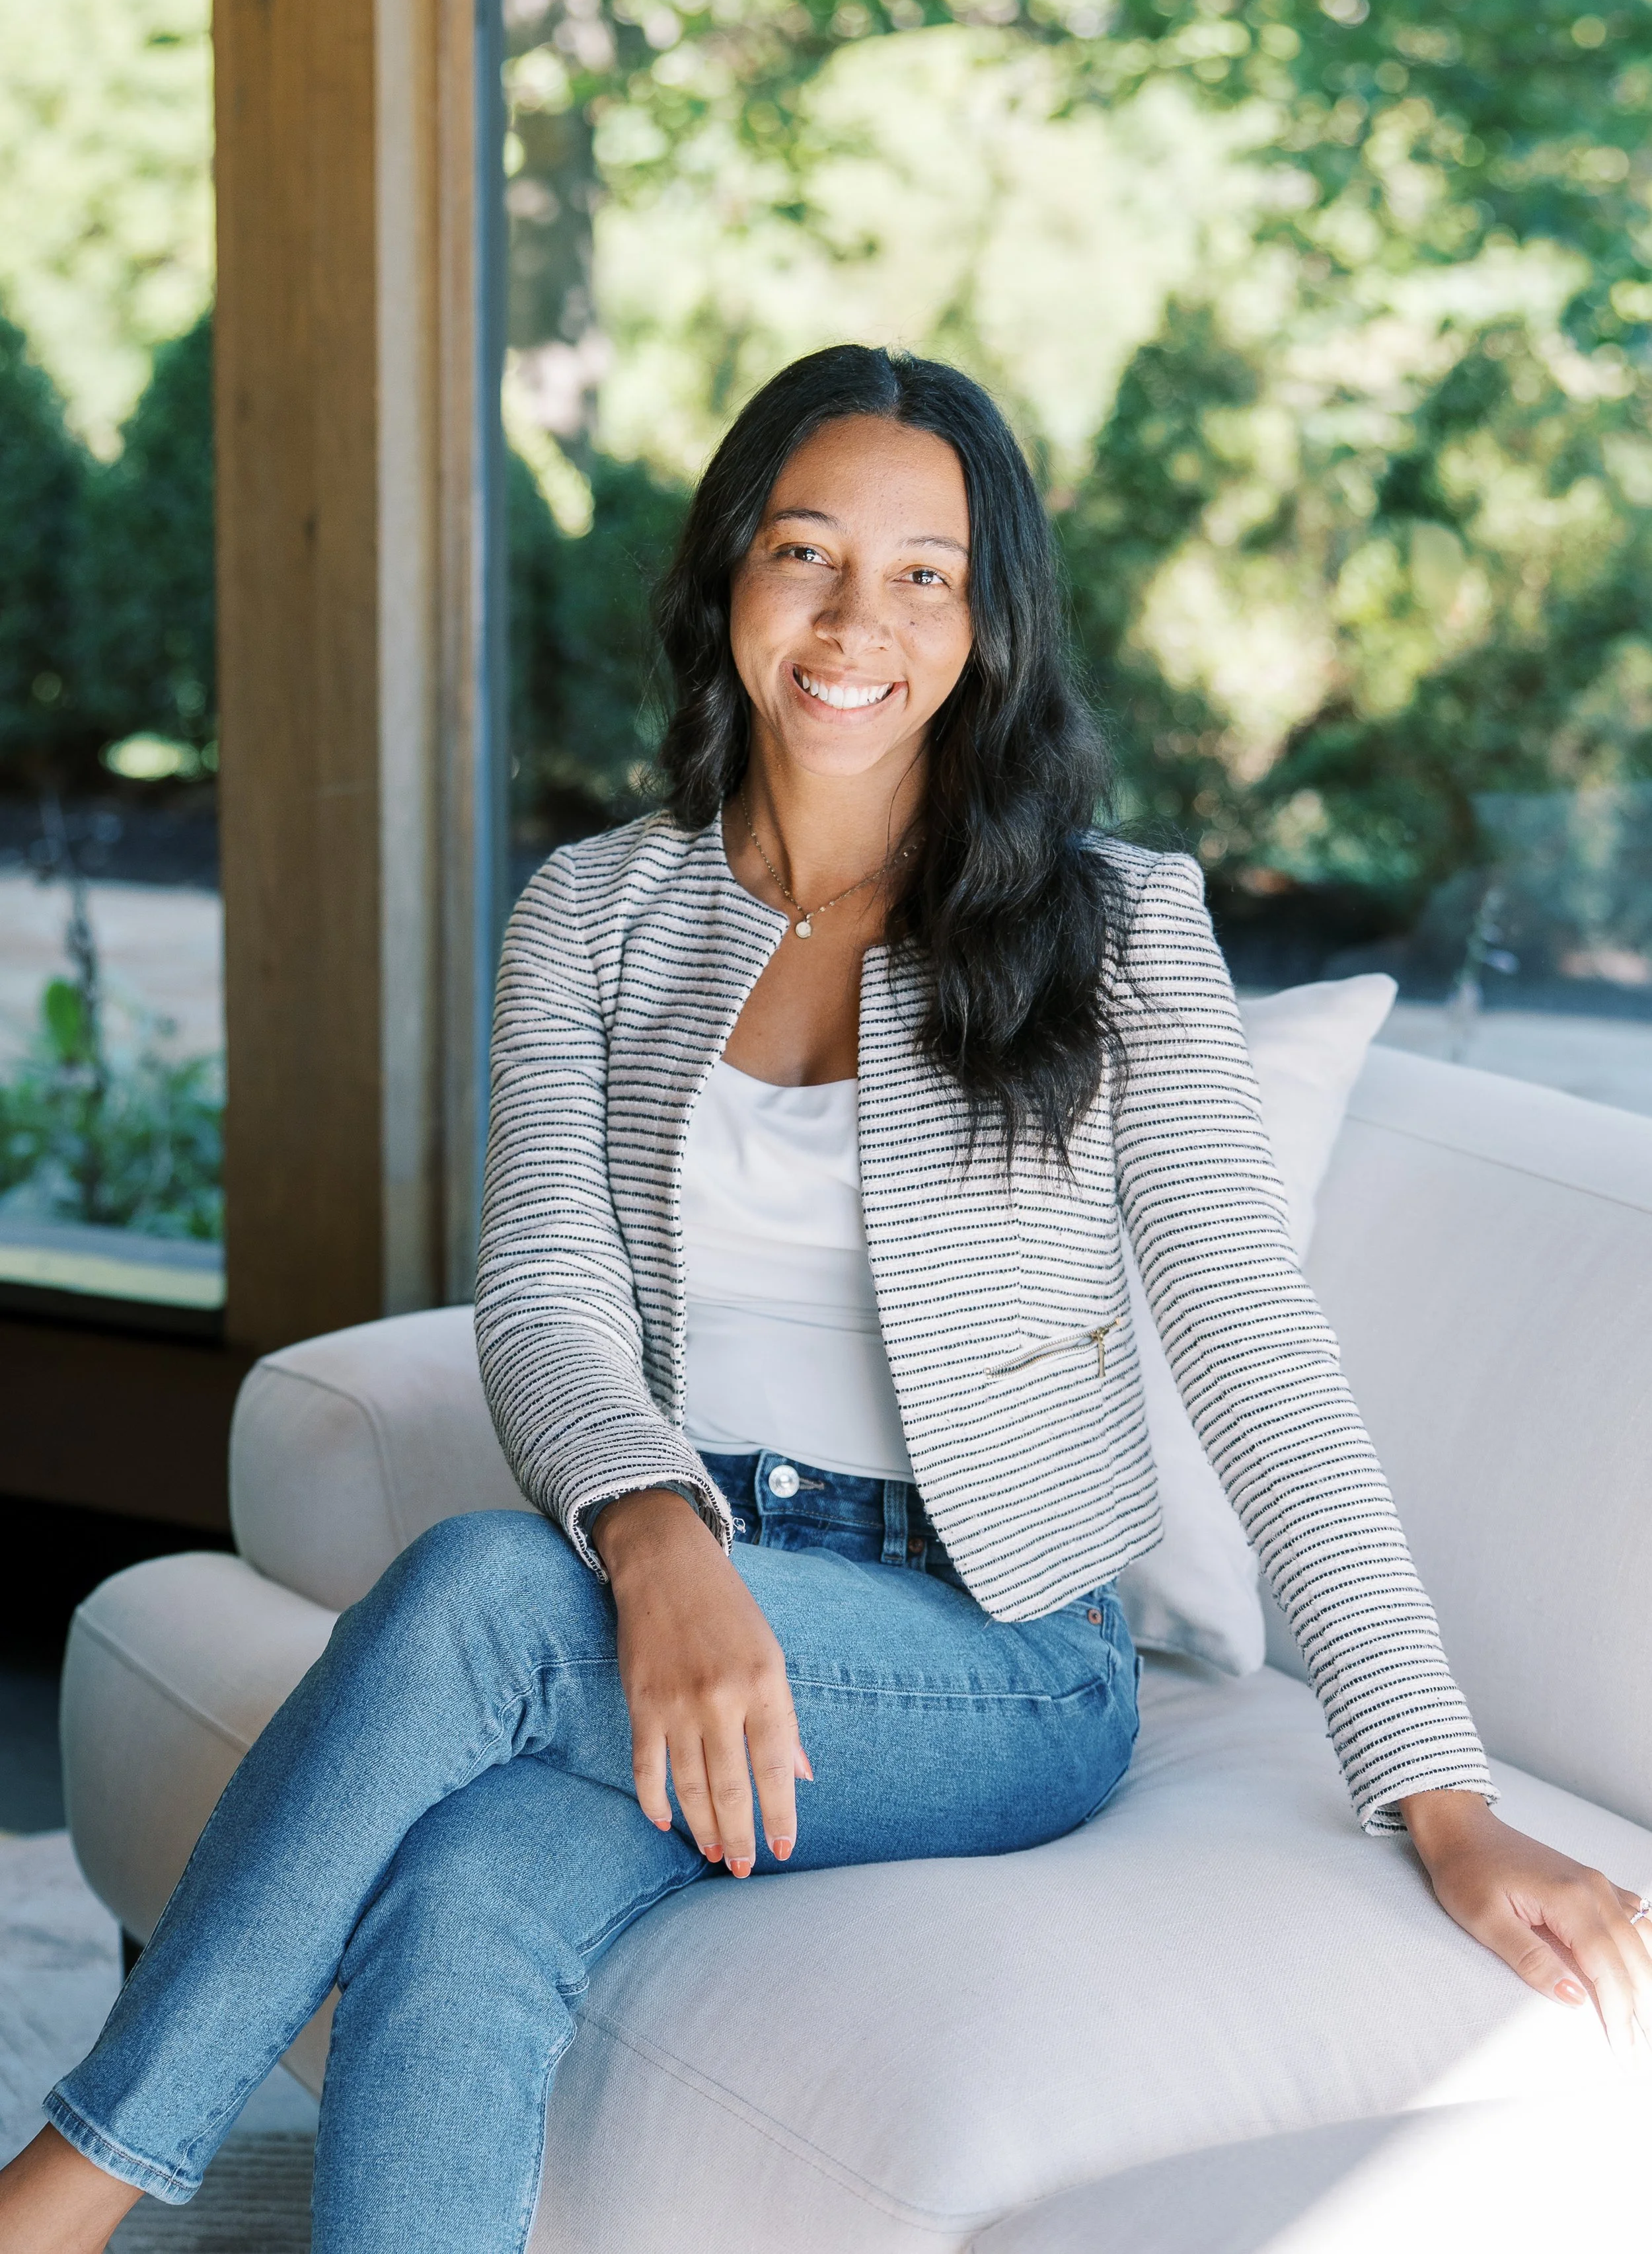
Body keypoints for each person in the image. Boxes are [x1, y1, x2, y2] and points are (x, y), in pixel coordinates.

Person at [3, 346, 1647, 2254]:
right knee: (462, 1900)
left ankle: (70, 2186)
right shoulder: (597, 912)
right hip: (678, 1592)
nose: (858, 618)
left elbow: (1257, 1360)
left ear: (990, 618)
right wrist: (658, 1543)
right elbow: (541, 1300)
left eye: (925, 571)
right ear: (727, 577)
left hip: (991, 1647)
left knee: (470, 1590)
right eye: (805, 550)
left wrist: (1436, 1795)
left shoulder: (1115, 929)